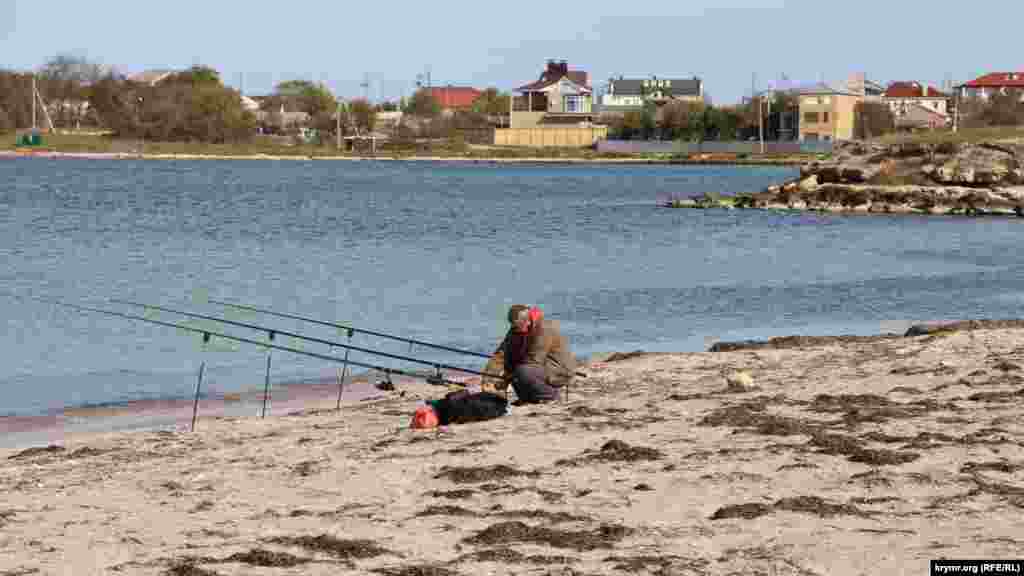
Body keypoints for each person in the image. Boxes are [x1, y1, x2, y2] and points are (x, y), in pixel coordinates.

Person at [480, 304, 576, 404]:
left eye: (518, 326)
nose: (515, 329)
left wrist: (506, 379)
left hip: (559, 369)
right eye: (514, 326)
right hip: (536, 368)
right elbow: (501, 354)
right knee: (512, 366)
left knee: (522, 371)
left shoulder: (544, 328)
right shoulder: (515, 329)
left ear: (527, 321)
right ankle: (528, 398)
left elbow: (535, 360)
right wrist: (488, 378)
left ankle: (550, 396)